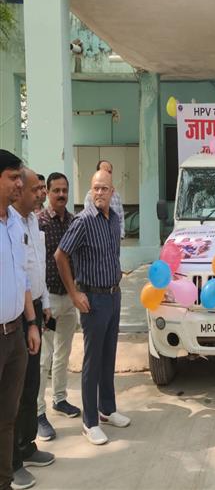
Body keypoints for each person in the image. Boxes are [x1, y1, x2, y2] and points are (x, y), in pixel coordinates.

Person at [55, 170, 130, 446]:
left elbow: (112, 254)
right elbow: (60, 255)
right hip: (93, 301)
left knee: (109, 356)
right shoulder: (83, 221)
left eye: (104, 188)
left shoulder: (114, 219)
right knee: (93, 361)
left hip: (113, 296)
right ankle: (90, 422)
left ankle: (107, 409)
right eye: (95, 188)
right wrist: (74, 294)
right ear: (90, 191)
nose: (99, 193)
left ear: (112, 192)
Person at [12, 168, 55, 490]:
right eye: (35, 189)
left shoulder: (32, 221)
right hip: (17, 314)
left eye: (42, 188)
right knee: (13, 391)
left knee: (31, 383)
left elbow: (38, 267)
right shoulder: (10, 224)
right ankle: (11, 461)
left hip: (36, 307)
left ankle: (27, 445)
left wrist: (45, 304)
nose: (41, 193)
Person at [0, 150, 41, 490]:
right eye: (13, 177)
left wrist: (31, 323)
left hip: (15, 333)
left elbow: (22, 277)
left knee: (7, 417)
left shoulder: (14, 223)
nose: (19, 184)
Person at [37, 172, 80, 442]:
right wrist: (41, 302)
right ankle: (38, 412)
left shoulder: (74, 222)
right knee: (44, 358)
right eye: (56, 191)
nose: (61, 195)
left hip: (69, 299)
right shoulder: (39, 223)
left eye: (65, 190)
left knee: (64, 353)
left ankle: (60, 399)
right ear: (48, 192)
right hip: (49, 301)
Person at [83, 160, 125, 239]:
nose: (107, 174)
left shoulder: (116, 195)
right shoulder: (90, 196)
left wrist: (120, 236)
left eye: (109, 172)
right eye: (104, 171)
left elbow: (121, 218)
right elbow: (88, 220)